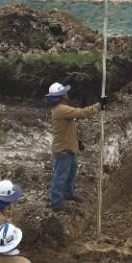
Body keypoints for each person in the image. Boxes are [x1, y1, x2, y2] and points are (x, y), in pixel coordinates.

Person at [45, 82, 103, 211]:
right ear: (60, 96)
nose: (67, 94)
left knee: (71, 173)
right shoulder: (61, 109)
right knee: (60, 177)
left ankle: (68, 194)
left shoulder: (62, 109)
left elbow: (69, 129)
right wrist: (99, 106)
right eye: (64, 93)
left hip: (69, 148)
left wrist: (78, 141)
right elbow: (82, 113)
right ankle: (56, 204)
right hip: (63, 150)